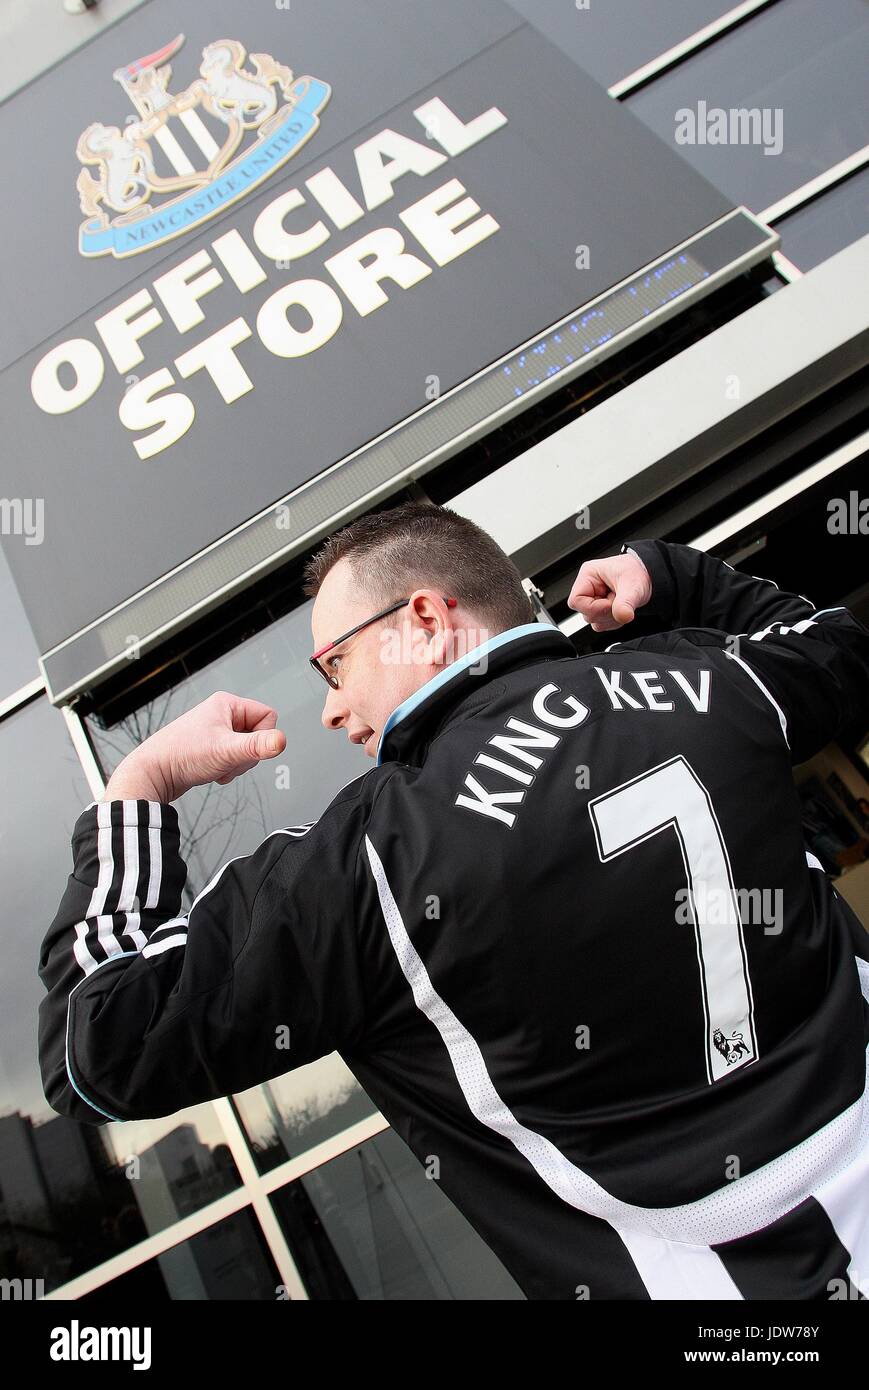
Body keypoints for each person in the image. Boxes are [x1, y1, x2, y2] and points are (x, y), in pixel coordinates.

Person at [37, 501, 869, 1300]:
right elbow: (836, 646)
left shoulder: (373, 862)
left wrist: (140, 788)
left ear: (428, 620)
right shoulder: (705, 680)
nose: (330, 707)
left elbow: (99, 1040)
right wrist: (674, 577)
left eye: (334, 663)